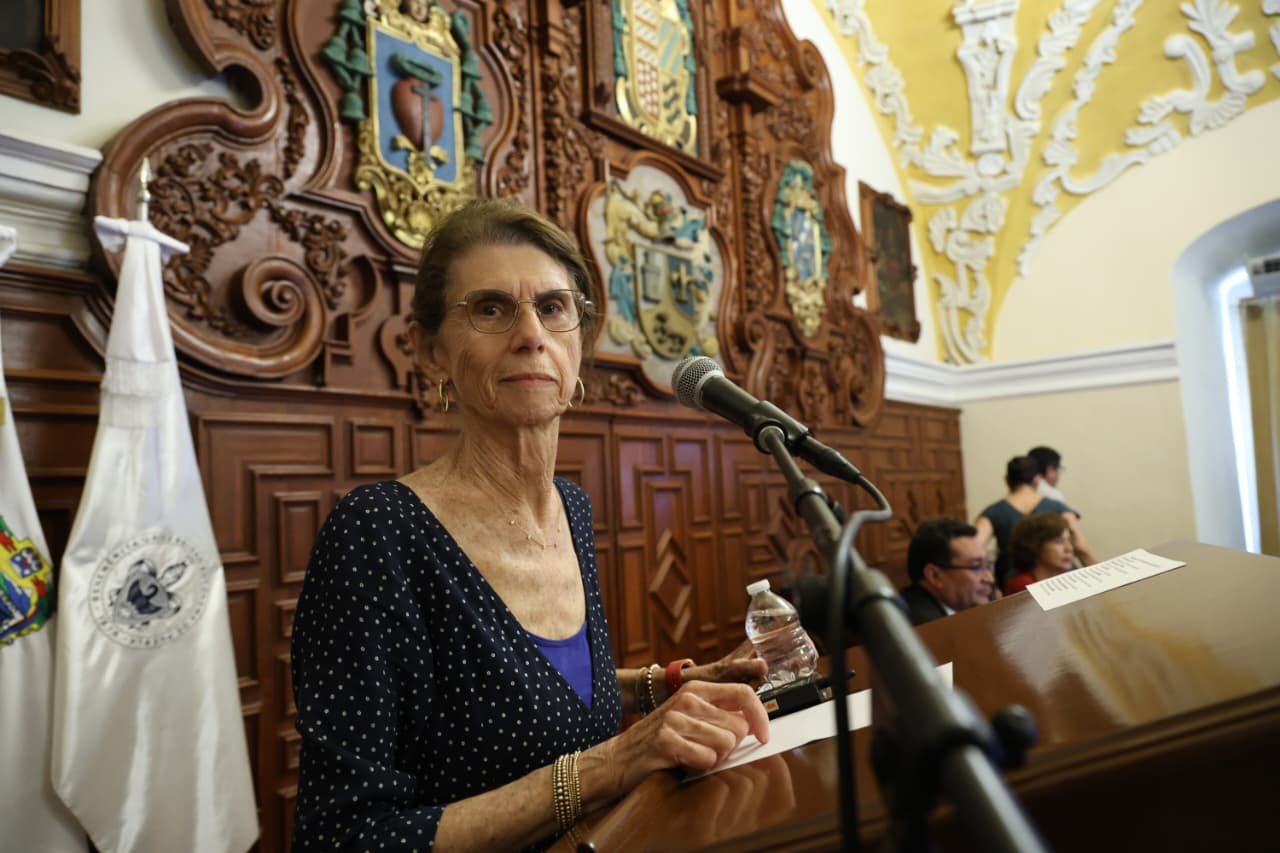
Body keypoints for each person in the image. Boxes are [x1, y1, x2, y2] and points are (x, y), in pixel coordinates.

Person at [289, 199, 769, 851]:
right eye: (490, 308)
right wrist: (616, 761)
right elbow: (343, 836)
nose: (530, 334)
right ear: (430, 351)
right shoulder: (379, 534)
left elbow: (516, 690)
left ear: (579, 343)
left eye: (552, 307)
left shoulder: (570, 507)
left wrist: (669, 682)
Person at [975, 456, 1095, 590]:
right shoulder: (1059, 508)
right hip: (1062, 581)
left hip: (1013, 586)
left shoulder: (993, 512)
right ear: (1038, 479)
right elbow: (1081, 548)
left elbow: (975, 550)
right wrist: (1101, 578)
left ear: (1007, 480)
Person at [898, 518, 994, 626]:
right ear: (935, 576)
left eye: (988, 565)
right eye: (976, 567)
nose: (989, 578)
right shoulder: (924, 628)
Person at [1004, 513, 1075, 595]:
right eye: (1058, 541)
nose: (1069, 549)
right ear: (1034, 546)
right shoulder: (1021, 585)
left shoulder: (1068, 580)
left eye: (1069, 541)